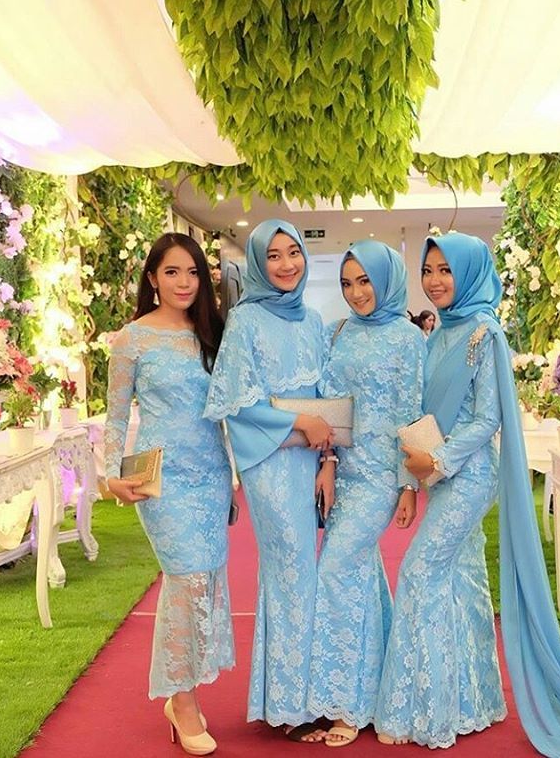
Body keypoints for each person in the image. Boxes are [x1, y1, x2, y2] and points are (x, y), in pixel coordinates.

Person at [374, 232, 560, 756]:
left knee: (420, 572)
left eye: (446, 270)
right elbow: (424, 412)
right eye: (428, 270)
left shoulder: (483, 332)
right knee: (463, 581)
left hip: (468, 476)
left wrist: (442, 460)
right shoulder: (439, 332)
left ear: (469, 271)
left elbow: (488, 417)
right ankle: (472, 702)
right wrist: (414, 476)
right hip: (437, 474)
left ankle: (424, 707)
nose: (435, 280)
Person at [105, 232, 233, 756]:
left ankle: (187, 690)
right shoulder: (131, 339)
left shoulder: (212, 332)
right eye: (172, 272)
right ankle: (182, 703)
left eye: (193, 273)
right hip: (159, 479)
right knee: (184, 581)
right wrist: (110, 474)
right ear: (153, 278)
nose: (184, 282)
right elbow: (116, 418)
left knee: (204, 582)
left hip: (211, 475)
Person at [203, 220, 333, 736]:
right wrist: (301, 423)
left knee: (308, 575)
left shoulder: (314, 320)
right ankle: (290, 705)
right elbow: (235, 402)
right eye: (273, 256)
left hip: (312, 462)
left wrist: (329, 461)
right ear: (259, 263)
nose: (285, 264)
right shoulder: (247, 321)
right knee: (291, 573)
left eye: (293, 252)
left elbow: (330, 401)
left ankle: (308, 692)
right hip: (272, 463)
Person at [305, 240, 426, 747]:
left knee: (336, 568)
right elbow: (331, 407)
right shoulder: (340, 334)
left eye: (365, 281)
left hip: (380, 477)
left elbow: (411, 411)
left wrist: (407, 484)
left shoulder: (407, 338)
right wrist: (328, 464)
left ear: (386, 279)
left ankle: (348, 706)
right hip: (346, 472)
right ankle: (373, 692)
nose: (356, 293)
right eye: (348, 283)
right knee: (360, 575)